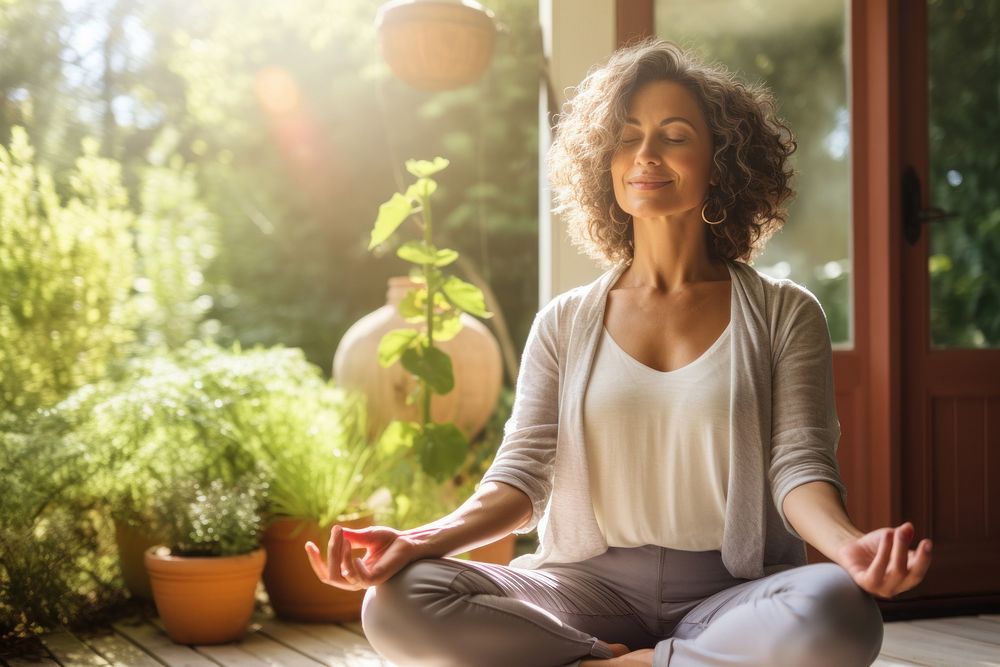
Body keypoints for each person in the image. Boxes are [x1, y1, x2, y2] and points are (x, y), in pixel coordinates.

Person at [305, 38, 933, 666]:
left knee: (840, 611)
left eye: (675, 135)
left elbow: (799, 469)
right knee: (397, 600)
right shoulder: (564, 321)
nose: (646, 156)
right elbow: (520, 479)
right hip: (584, 590)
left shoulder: (785, 313)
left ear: (723, 160)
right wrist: (418, 541)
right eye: (627, 137)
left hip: (733, 595)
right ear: (604, 161)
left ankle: (602, 664)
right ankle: (648, 659)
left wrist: (851, 548)